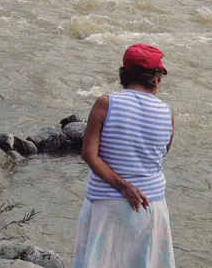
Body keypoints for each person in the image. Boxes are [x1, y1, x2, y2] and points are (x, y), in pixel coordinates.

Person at [74, 43, 176, 268]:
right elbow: (161, 154)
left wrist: (123, 186)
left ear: (125, 73)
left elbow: (89, 154)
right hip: (152, 206)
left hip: (106, 204)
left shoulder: (106, 103)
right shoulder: (167, 113)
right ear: (156, 77)